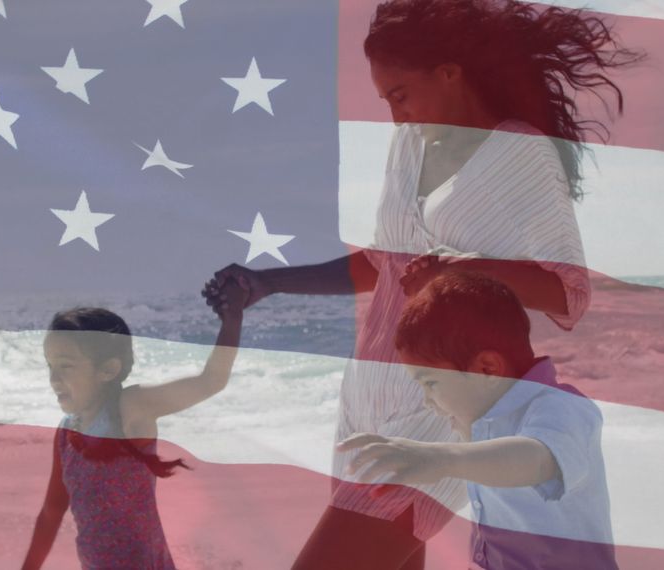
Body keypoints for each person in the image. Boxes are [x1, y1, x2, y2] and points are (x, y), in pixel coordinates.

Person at [203, 1, 639, 567]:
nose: (394, 116)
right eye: (386, 101)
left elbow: (568, 293)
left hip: (446, 401)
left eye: (401, 95)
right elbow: (386, 261)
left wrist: (458, 271)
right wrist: (269, 282)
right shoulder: (409, 146)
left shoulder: (520, 154)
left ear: (449, 73)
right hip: (369, 395)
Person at [340, 271, 615, 569]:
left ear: (487, 369)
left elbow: (537, 460)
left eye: (430, 383)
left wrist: (439, 458)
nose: (427, 401)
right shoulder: (482, 417)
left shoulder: (563, 407)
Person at [20, 279, 248, 570]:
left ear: (108, 369)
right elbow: (51, 513)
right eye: (50, 365)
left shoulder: (130, 408)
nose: (53, 378)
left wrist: (232, 319)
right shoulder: (67, 433)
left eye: (66, 365)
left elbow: (211, 381)